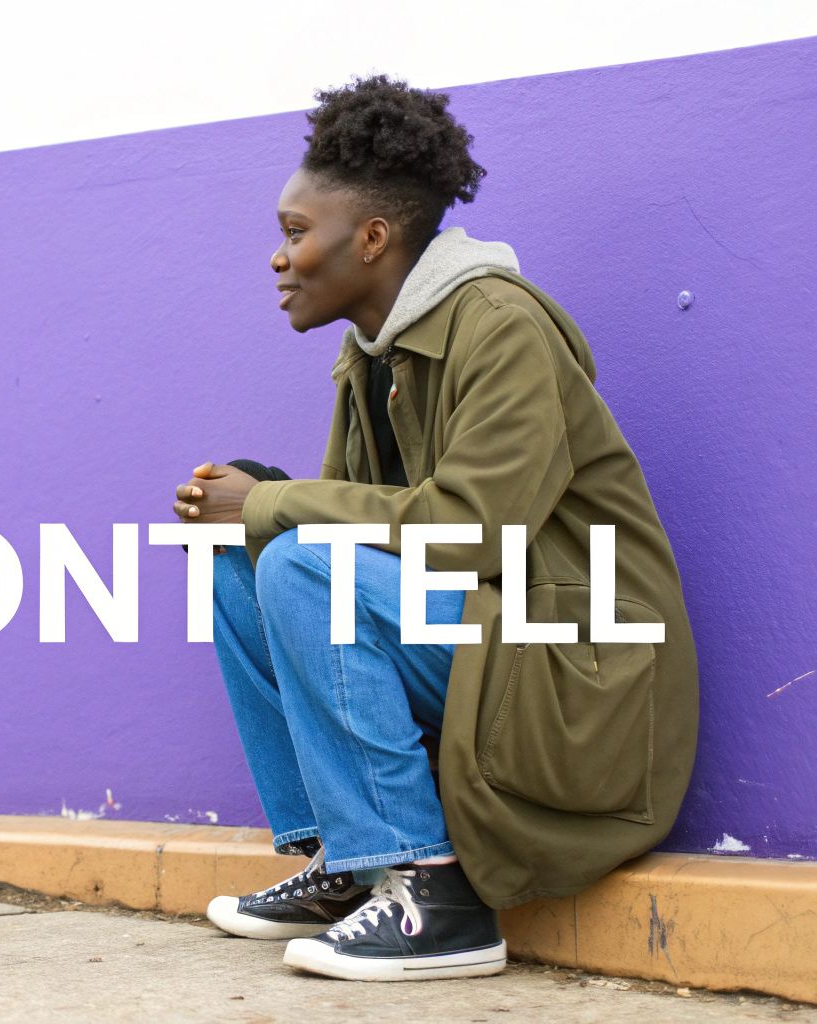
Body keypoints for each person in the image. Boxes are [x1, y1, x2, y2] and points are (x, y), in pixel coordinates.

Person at [171, 77, 697, 981]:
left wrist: (275, 505)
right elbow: (366, 530)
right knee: (242, 560)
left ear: (372, 238)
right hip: (492, 647)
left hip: (578, 677)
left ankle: (437, 899)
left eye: (296, 232)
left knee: (299, 562)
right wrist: (255, 505)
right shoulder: (373, 355)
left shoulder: (501, 327)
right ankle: (351, 861)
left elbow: (472, 531)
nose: (278, 258)